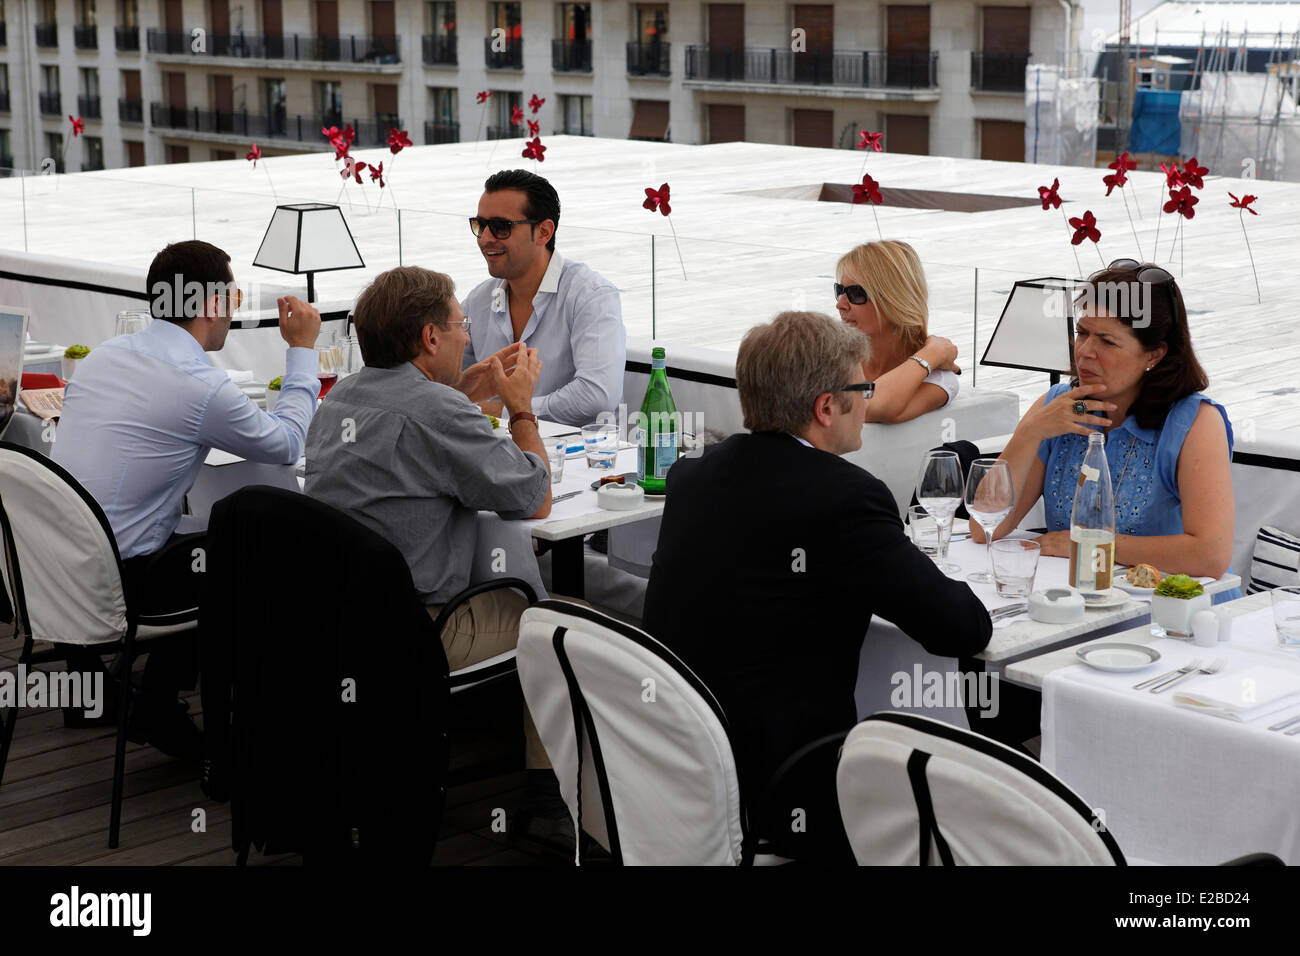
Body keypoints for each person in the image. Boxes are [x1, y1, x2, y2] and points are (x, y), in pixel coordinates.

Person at [642, 311, 992, 812]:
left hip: (675, 758)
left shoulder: (693, 475)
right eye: (864, 388)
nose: (868, 398)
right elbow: (962, 629)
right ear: (827, 406)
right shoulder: (845, 499)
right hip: (785, 780)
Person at [304, 266, 571, 851]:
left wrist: (459, 391)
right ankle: (548, 802)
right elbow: (534, 495)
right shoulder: (438, 413)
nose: (466, 337)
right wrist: (519, 407)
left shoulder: (338, 399)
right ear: (429, 338)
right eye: (459, 325)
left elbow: (413, 434)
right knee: (552, 626)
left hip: (331, 627)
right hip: (416, 633)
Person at [52, 239, 321, 756]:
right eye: (234, 295)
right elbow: (287, 444)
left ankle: (103, 692)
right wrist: (302, 352)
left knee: (199, 534)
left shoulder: (103, 356)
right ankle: (163, 702)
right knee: (252, 550)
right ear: (209, 305)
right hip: (119, 585)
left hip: (54, 568)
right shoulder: (199, 385)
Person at [972, 260, 1237, 591]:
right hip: (1070, 598)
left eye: (1107, 342)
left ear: (1154, 355)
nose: (1084, 352)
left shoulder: (1194, 423)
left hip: (1169, 614)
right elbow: (985, 527)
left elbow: (1210, 555)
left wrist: (1087, 545)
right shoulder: (1060, 406)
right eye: (1081, 332)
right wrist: (1030, 432)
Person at [461, 168, 626, 427]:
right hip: (492, 452)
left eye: (500, 227)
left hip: (578, 459)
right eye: (479, 225)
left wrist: (509, 411)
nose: (485, 238)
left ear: (544, 232)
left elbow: (597, 397)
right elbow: (442, 378)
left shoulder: (591, 296)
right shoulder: (478, 300)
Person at [835, 240, 961, 424]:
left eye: (856, 293)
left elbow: (871, 406)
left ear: (895, 300)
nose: (840, 304)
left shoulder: (936, 379)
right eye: (840, 290)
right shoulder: (831, 357)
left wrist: (932, 354)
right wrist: (934, 353)